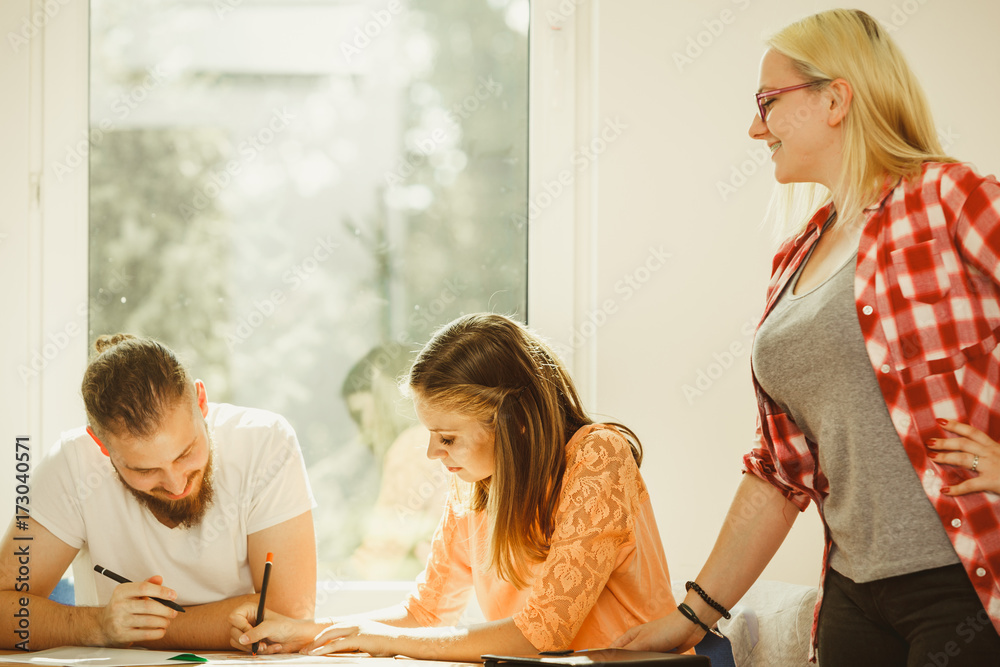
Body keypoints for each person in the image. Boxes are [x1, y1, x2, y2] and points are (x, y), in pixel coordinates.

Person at [614, 9, 1000, 665]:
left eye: (767, 102)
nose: (754, 127)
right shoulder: (794, 258)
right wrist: (689, 617)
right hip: (855, 596)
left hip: (963, 585)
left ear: (835, 98)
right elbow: (779, 470)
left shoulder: (952, 198)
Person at [228, 313, 678, 660]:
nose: (431, 455)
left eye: (447, 438)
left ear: (514, 423)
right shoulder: (475, 486)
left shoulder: (598, 456)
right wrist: (308, 630)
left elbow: (541, 633)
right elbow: (425, 613)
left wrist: (386, 640)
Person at [0, 334, 317, 650]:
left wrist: (138, 629)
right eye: (144, 470)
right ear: (100, 445)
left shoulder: (265, 443)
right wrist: (97, 625)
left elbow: (288, 620)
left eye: (186, 453)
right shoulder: (73, 465)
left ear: (201, 401)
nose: (177, 485)